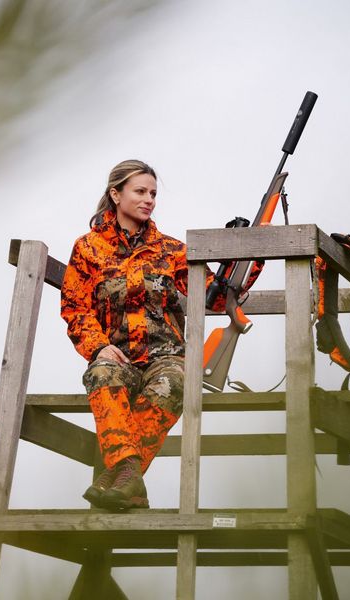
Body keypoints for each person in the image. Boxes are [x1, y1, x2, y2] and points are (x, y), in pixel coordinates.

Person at [60, 159, 259, 511]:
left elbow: (216, 296)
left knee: (174, 382)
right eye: (140, 191)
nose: (149, 199)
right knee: (101, 375)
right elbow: (75, 308)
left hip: (166, 355)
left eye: (153, 193)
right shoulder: (87, 249)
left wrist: (251, 256)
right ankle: (129, 480)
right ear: (115, 194)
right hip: (117, 355)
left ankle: (120, 476)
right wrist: (99, 347)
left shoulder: (172, 250)